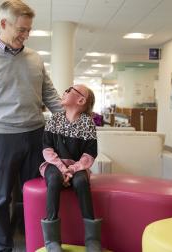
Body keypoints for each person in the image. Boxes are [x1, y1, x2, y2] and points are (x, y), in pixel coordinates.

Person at [0, 1, 62, 251]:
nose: (26, 35)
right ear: (3, 24)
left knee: (35, 196)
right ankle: (3, 248)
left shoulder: (35, 58)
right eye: (21, 29)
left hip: (36, 137)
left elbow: (50, 96)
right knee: (0, 200)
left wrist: (72, 120)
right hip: (1, 139)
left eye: (29, 30)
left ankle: (36, 245)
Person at [39, 84, 102, 252]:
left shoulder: (87, 124)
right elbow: (46, 148)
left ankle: (92, 239)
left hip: (77, 166)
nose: (64, 92)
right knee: (53, 179)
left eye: (69, 90)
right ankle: (52, 241)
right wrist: (61, 168)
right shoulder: (55, 119)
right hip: (54, 164)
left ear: (81, 100)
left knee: (81, 182)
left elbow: (89, 154)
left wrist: (73, 169)